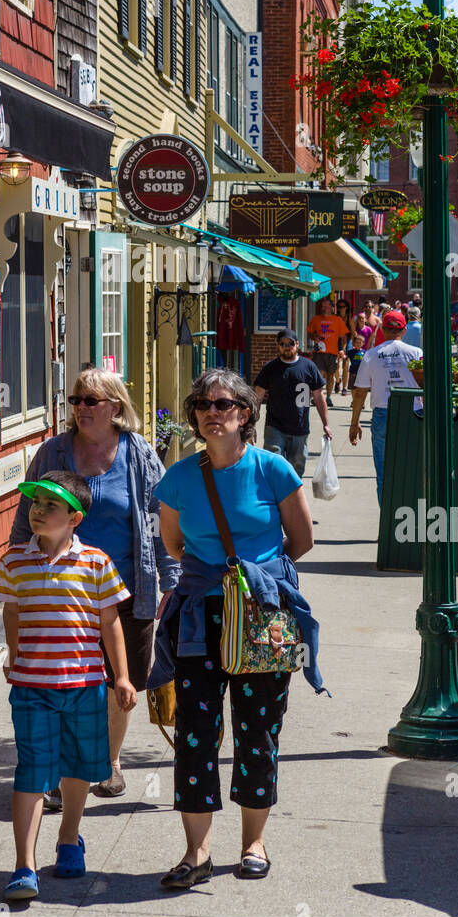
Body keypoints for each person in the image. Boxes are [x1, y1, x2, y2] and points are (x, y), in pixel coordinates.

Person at [150, 369, 328, 890]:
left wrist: (254, 580)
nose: (212, 412)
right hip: (200, 620)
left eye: (224, 405)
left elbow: (301, 539)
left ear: (245, 415)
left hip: (262, 616)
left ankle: (254, 842)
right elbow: (175, 545)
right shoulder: (180, 476)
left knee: (258, 730)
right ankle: (196, 852)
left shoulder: (273, 469)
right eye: (203, 405)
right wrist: (219, 581)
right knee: (194, 735)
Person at [10, 368, 176, 805]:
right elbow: (26, 515)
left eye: (91, 401)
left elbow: (160, 518)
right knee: (63, 680)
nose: (81, 408)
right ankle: (61, 773)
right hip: (60, 590)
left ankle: (109, 760)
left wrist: (169, 579)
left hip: (128, 589)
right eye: (76, 400)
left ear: (115, 408)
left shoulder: (138, 454)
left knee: (120, 682)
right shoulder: (52, 453)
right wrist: (18, 568)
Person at [0, 470, 137, 901]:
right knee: (32, 770)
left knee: (77, 767)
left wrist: (123, 676)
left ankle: (69, 838)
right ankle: (24, 864)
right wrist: (15, 655)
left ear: (74, 518)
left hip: (85, 684)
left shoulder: (96, 562)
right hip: (32, 686)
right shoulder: (14, 560)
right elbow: (12, 613)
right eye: (35, 504)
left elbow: (110, 622)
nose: (38, 511)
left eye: (50, 506)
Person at [348, 310, 423, 504]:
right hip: (413, 413)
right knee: (411, 469)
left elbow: (360, 393)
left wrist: (354, 423)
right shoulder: (416, 354)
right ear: (404, 330)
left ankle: (387, 521)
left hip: (383, 413)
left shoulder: (371, 355)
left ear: (383, 330)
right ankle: (408, 516)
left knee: (383, 472)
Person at [253, 327, 332, 477]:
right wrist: (251, 424)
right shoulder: (270, 368)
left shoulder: (308, 367)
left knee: (296, 470)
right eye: (283, 344)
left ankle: (292, 499)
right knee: (272, 465)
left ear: (297, 345)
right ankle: (275, 499)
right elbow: (258, 396)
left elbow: (319, 397)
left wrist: (326, 424)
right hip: (274, 426)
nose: (287, 347)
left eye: (290, 344)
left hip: (300, 427)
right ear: (278, 346)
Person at [306, 297, 350, 408]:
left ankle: (328, 397)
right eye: (322, 306)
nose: (323, 308)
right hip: (319, 351)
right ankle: (317, 397)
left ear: (331, 307)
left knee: (330, 375)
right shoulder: (316, 319)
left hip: (333, 352)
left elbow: (344, 337)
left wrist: (343, 349)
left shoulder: (337, 320)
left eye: (326, 306)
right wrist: (314, 337)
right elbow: (310, 333)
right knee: (320, 374)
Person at [347, 309, 375, 389]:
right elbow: (352, 338)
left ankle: (366, 385)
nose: (361, 320)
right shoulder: (355, 329)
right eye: (360, 318)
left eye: (363, 318)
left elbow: (371, 340)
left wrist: (369, 350)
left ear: (366, 319)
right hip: (356, 350)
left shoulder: (368, 329)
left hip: (366, 351)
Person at [335, 299, 353, 393]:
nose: (340, 309)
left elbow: (353, 332)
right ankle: (338, 381)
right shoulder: (335, 317)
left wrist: (354, 344)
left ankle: (344, 388)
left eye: (342, 307)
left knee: (346, 364)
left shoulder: (349, 318)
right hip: (337, 340)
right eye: (339, 307)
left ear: (346, 308)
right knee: (337, 365)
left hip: (348, 341)